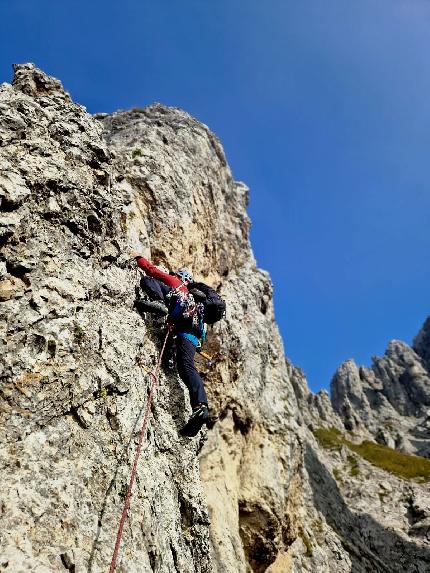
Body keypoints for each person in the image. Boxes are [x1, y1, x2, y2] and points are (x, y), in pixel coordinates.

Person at [131, 252, 209, 437]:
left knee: (147, 280)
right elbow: (202, 332)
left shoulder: (175, 282)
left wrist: (137, 258)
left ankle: (200, 405)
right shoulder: (197, 304)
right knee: (185, 366)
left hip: (182, 333)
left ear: (180, 277)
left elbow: (152, 271)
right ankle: (198, 404)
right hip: (192, 338)